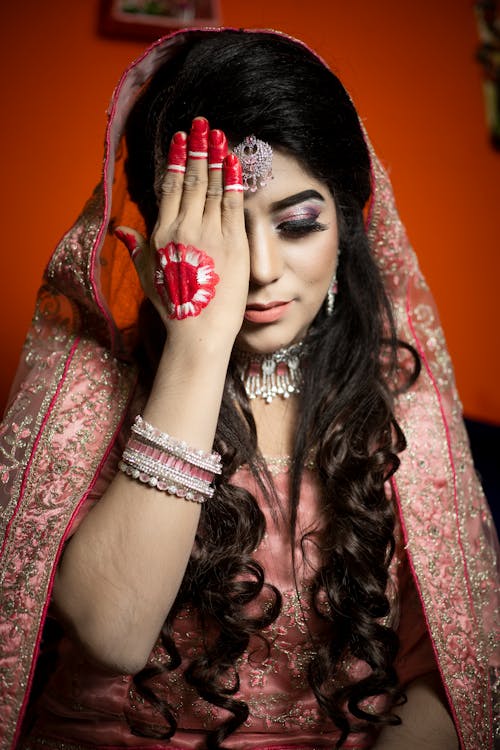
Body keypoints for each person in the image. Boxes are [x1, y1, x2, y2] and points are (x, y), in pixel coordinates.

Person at [0, 28, 497, 750]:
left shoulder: (399, 401)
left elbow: (444, 677)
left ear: (348, 226)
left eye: (297, 224)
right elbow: (114, 634)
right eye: (222, 227)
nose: (260, 267)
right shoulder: (93, 389)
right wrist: (199, 347)